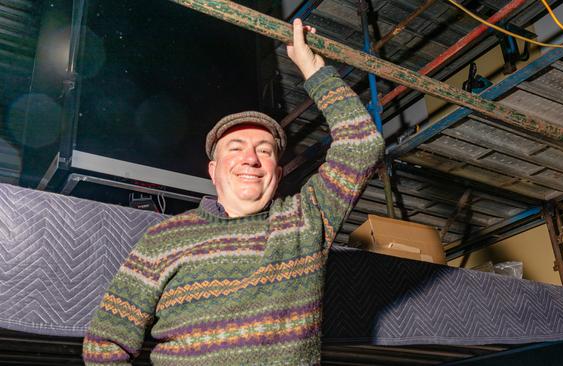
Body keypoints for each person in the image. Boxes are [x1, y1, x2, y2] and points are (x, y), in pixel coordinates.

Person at [82, 18, 384, 365]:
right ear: (213, 170)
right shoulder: (165, 237)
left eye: (265, 151)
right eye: (236, 148)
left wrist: (312, 67)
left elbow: (362, 146)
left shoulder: (305, 220)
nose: (251, 159)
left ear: (278, 171)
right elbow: (105, 343)